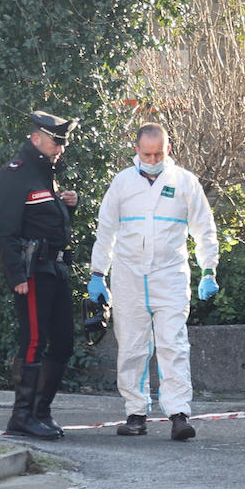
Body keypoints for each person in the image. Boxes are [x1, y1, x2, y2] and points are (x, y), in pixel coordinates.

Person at [88, 123, 219, 441]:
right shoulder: (122, 183)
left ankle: (178, 414)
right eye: (146, 153)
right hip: (129, 276)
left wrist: (209, 270)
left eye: (158, 153)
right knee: (132, 345)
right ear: (136, 151)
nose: (152, 158)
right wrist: (97, 273)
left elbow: (203, 228)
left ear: (168, 150)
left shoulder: (184, 182)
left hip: (169, 276)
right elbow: (106, 230)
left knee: (173, 344)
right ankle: (136, 413)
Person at [0, 110, 80, 440]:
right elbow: (3, 230)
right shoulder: (17, 173)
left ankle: (41, 411)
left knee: (64, 343)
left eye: (63, 144)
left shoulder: (47, 173)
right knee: (34, 342)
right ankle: (23, 415)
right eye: (56, 143)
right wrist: (16, 275)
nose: (61, 149)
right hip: (32, 271)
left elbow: (48, 222)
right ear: (36, 138)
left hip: (55, 268)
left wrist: (69, 207)